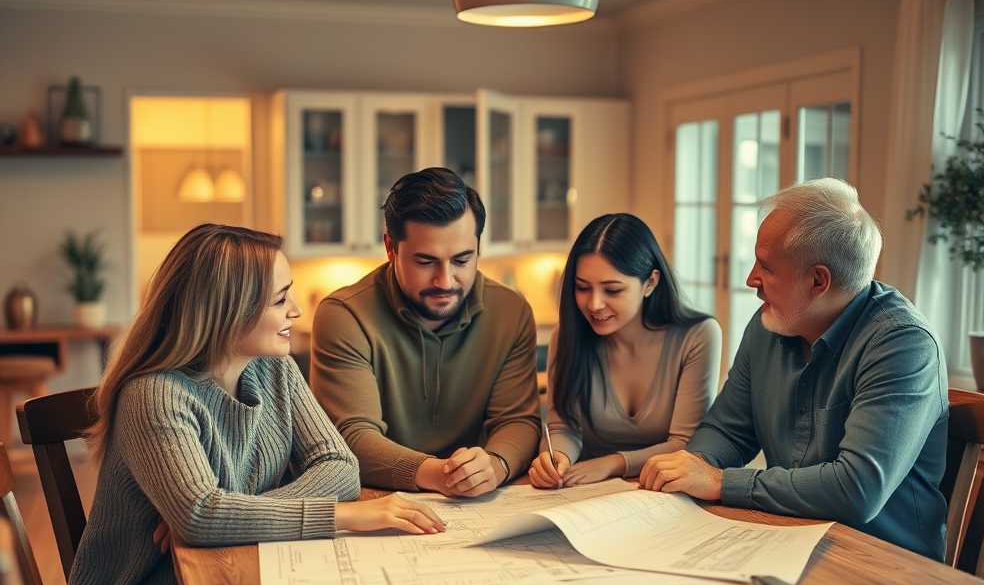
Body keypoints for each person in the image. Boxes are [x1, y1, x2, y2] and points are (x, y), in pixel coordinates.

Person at [65, 224, 444, 585]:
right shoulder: (155, 395)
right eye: (280, 300)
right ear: (226, 311)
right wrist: (339, 515)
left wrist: (233, 511)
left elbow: (340, 467)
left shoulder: (272, 368)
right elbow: (203, 515)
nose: (296, 313)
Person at [638, 178, 948, 560]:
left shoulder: (903, 344)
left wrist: (719, 481)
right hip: (786, 541)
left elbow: (857, 491)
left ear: (818, 280)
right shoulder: (768, 324)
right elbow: (727, 430)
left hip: (886, 565)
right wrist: (695, 465)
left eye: (766, 267)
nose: (750, 278)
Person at [311, 167, 541, 497]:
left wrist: (496, 464)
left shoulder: (513, 312)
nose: (445, 281)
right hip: (376, 499)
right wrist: (439, 473)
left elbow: (517, 420)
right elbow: (352, 436)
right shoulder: (344, 315)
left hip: (472, 503)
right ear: (391, 248)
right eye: (425, 262)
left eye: (462, 260)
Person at [529, 213, 721, 488]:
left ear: (650, 284)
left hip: (665, 492)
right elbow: (564, 426)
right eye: (582, 288)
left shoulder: (698, 336)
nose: (594, 304)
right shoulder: (568, 334)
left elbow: (686, 445)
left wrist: (612, 463)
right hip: (587, 491)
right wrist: (556, 458)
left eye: (613, 290)